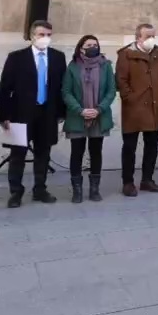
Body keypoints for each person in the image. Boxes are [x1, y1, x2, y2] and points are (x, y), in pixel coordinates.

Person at [0, 20, 66, 207]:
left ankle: (40, 189)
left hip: (47, 113)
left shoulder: (58, 57)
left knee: (43, 153)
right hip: (20, 113)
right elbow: (5, 88)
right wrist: (4, 115)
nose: (45, 38)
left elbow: (61, 87)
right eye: (40, 34)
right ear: (31, 36)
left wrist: (61, 113)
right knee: (17, 154)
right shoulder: (16, 57)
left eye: (48, 35)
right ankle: (16, 191)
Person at [62, 35, 116, 203]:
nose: (93, 47)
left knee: (95, 152)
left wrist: (99, 109)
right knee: (76, 153)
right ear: (81, 48)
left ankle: (94, 189)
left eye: (95, 44)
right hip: (77, 116)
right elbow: (66, 91)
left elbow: (111, 91)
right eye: (89, 45)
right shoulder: (72, 67)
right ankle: (77, 190)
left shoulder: (106, 66)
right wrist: (80, 110)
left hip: (99, 116)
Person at [116, 24, 158, 196]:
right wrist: (130, 98)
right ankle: (128, 182)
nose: (151, 39)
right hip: (134, 108)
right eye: (147, 36)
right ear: (138, 37)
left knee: (152, 146)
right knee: (129, 147)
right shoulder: (126, 55)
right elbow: (121, 81)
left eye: (153, 35)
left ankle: (147, 179)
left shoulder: (157, 54)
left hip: (154, 107)